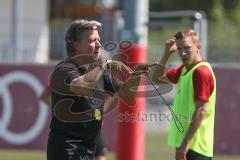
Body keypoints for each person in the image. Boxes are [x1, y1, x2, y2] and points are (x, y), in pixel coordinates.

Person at [47, 19, 151, 160]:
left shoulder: (97, 70)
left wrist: (137, 74)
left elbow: (127, 95)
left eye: (99, 40)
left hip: (89, 149)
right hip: (67, 149)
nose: (99, 44)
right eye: (92, 40)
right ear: (76, 45)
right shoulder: (64, 69)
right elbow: (81, 87)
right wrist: (104, 65)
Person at [151, 29, 216, 160]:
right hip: (187, 145)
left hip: (195, 146)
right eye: (179, 49)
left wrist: (185, 144)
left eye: (187, 48)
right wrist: (167, 54)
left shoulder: (201, 72)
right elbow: (156, 78)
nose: (183, 53)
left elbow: (201, 111)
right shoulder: (185, 69)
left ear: (198, 47)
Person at [40, 86, 108, 160]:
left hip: (91, 127)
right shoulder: (65, 77)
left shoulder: (97, 79)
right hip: (72, 129)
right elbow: (44, 96)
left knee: (100, 156)